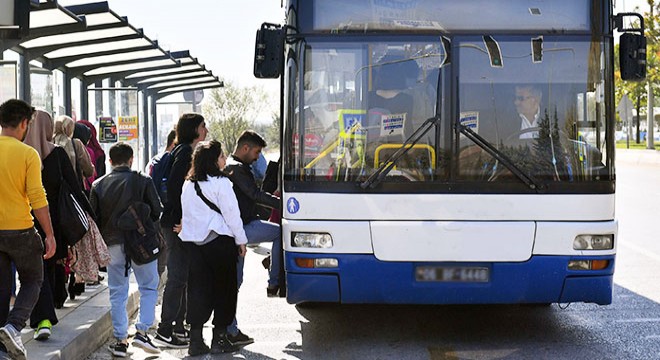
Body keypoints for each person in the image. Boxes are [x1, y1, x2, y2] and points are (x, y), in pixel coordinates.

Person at [23, 110, 93, 341]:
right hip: (54, 220)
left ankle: (38, 314)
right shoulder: (58, 154)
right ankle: (46, 311)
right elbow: (75, 187)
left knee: (32, 270)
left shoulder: (22, 153)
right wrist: (90, 215)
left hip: (25, 219)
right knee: (49, 264)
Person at [90, 142, 163, 357]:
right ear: (131, 159)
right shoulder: (143, 180)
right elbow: (157, 211)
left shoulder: (98, 184)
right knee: (149, 286)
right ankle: (142, 331)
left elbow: (94, 218)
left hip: (112, 243)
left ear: (110, 162)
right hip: (142, 242)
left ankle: (121, 340)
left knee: (117, 291)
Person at [177, 140, 247, 356]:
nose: (225, 160)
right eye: (221, 156)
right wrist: (240, 240)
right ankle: (219, 339)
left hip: (195, 246)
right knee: (225, 290)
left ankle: (196, 340)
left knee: (198, 292)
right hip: (220, 243)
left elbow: (187, 216)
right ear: (213, 160)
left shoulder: (188, 184)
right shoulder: (221, 183)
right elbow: (232, 214)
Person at [0, 99, 56, 360]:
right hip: (21, 230)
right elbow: (37, 196)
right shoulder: (27, 154)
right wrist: (50, 234)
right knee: (33, 279)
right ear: (24, 123)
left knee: (1, 288)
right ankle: (13, 326)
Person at [155, 113, 208, 348]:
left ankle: (177, 327)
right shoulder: (186, 153)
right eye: (202, 126)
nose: (206, 129)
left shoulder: (181, 150)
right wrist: (183, 219)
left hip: (175, 222)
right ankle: (165, 329)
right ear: (195, 129)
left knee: (183, 276)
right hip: (176, 224)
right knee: (177, 277)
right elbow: (177, 187)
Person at [224, 130, 281, 345]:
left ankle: (230, 329)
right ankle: (274, 282)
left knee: (235, 281)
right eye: (256, 152)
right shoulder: (236, 168)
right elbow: (255, 195)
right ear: (245, 148)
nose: (258, 157)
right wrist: (282, 203)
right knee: (234, 282)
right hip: (240, 229)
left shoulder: (238, 166)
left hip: (245, 224)